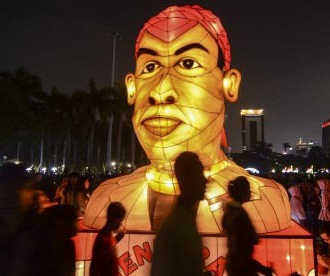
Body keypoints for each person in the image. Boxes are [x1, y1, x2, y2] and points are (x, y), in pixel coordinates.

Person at [84, 5, 290, 234]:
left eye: (188, 63)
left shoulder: (265, 200)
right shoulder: (107, 198)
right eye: (150, 67)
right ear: (132, 88)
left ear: (228, 84)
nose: (161, 90)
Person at [151, 151, 208, 276]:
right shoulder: (174, 226)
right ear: (186, 179)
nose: (205, 181)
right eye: (199, 174)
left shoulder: (186, 219)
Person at [222, 176, 274, 276]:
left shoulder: (229, 213)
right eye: (248, 190)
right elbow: (241, 249)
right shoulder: (240, 215)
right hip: (242, 267)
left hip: (234, 264)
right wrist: (262, 269)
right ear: (242, 193)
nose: (250, 193)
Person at [90, 202, 126, 276]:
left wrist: (120, 236)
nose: (120, 225)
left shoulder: (107, 236)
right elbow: (95, 267)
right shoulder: (102, 239)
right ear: (116, 219)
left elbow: (109, 249)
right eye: (120, 221)